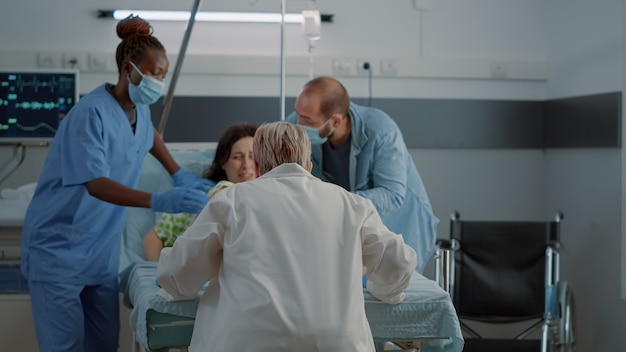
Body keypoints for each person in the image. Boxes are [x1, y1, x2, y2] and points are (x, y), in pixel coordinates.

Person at [20, 15, 211, 352]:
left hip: (100, 253)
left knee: (105, 344)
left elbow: (147, 135)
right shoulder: (90, 113)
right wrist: (159, 200)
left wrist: (177, 171)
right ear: (128, 69)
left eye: (163, 76)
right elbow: (96, 185)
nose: (158, 82)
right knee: (66, 346)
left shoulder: (139, 109)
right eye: (153, 74)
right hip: (59, 248)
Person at [156, 121, 417, 352]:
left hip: (246, 342)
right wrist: (383, 289)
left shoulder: (231, 202)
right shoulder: (352, 204)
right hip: (338, 343)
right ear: (309, 165)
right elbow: (399, 264)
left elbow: (179, 274)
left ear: (257, 165)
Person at [286, 76, 438, 273]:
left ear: (336, 121)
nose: (297, 124)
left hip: (399, 225)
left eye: (307, 120)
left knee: (388, 289)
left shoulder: (381, 131)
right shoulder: (296, 122)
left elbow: (392, 195)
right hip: (346, 226)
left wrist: (333, 199)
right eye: (298, 114)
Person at [143, 123, 258, 260]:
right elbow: (153, 237)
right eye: (237, 157)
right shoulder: (198, 198)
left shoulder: (273, 198)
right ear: (223, 162)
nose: (246, 165)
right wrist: (159, 270)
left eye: (252, 156)